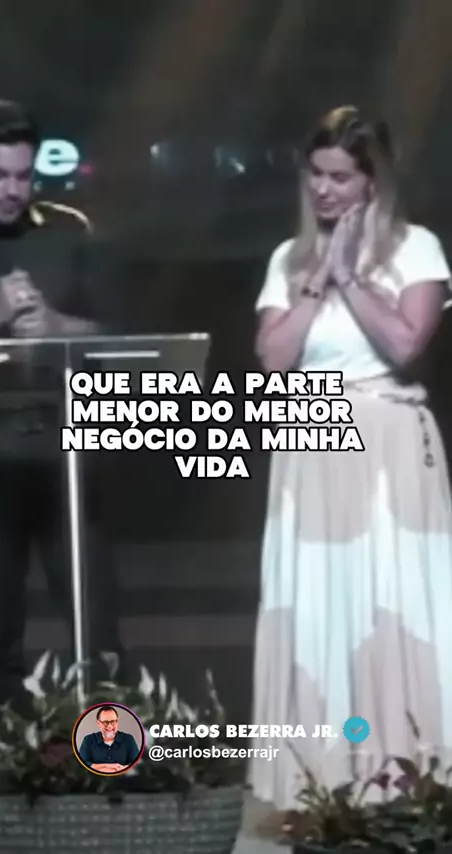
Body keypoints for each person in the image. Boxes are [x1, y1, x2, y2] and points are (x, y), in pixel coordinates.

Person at [250, 105, 452, 815]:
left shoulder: (416, 249)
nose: (325, 189)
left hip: (387, 446)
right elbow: (274, 358)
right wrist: (317, 279)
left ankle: (403, 773)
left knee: (390, 598)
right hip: (311, 441)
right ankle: (322, 774)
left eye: (341, 177)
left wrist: (351, 276)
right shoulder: (288, 258)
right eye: (317, 174)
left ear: (372, 182)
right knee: (317, 603)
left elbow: (405, 345)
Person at [0, 98, 124, 737]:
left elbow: (121, 336)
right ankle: (1, 769)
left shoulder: (67, 231)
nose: (13, 190)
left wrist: (59, 325)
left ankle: (114, 760)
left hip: (67, 456)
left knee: (99, 628)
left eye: (23, 175)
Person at [78, 705, 140, 773]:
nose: (110, 726)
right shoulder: (88, 740)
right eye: (105, 722)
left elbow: (136, 764)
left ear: (117, 722)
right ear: (98, 723)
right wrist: (109, 766)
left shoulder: (128, 740)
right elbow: (82, 764)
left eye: (113, 722)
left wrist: (122, 769)